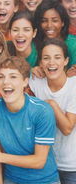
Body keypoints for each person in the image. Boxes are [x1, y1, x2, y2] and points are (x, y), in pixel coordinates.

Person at [0, 56, 59, 184]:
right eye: (1, 77)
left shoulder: (42, 111)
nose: (6, 82)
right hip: (11, 179)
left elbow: (39, 161)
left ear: (25, 81)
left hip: (43, 180)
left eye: (13, 76)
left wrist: (1, 157)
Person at [29, 38, 76, 184]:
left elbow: (67, 128)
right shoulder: (35, 82)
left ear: (66, 61)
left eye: (57, 57)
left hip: (71, 165)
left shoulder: (73, 86)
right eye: (46, 58)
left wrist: (51, 105)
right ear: (40, 63)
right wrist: (29, 69)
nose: (51, 63)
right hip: (46, 164)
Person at [34, 0, 76, 69]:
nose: (49, 25)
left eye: (55, 20)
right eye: (44, 21)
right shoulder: (33, 44)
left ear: (62, 22)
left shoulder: (73, 44)